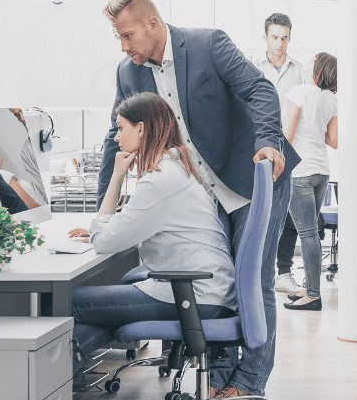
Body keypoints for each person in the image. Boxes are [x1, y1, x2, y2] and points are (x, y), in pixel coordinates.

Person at [89, 0, 296, 400]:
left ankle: (252, 377)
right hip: (205, 192)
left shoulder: (207, 44)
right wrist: (101, 212)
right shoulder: (128, 73)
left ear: (152, 24)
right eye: (119, 38)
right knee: (219, 282)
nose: (124, 45)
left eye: (128, 35)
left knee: (252, 278)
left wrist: (270, 141)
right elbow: (116, 143)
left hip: (252, 174)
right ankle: (217, 376)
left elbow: (261, 92)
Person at [70, 92, 236, 365]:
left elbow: (104, 242)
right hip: (209, 290)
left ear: (141, 128)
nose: (115, 138)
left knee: (69, 302)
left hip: (195, 297)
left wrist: (116, 176)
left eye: (121, 128)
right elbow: (131, 225)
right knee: (105, 302)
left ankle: (61, 375)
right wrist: (110, 228)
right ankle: (66, 371)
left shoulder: (160, 179)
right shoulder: (175, 167)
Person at [252, 13, 308, 297]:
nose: (280, 43)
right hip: (260, 148)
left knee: (289, 215)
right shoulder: (252, 67)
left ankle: (284, 272)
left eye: (284, 37)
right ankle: (256, 270)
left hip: (291, 149)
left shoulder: (299, 71)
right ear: (265, 36)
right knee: (258, 209)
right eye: (274, 37)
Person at [281, 53, 338, 311]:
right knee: (310, 233)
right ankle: (309, 287)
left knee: (307, 234)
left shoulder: (299, 91)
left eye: (312, 60)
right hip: (321, 172)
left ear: (318, 68)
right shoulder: (330, 98)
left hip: (300, 172)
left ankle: (313, 294)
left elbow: (286, 137)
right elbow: (333, 140)